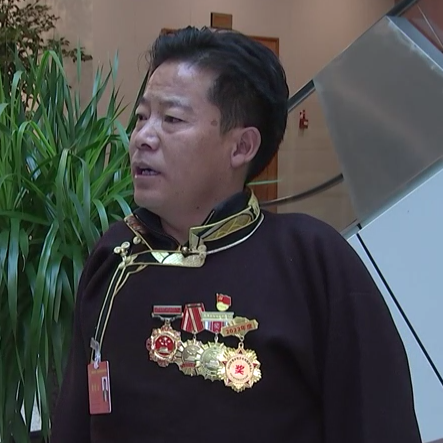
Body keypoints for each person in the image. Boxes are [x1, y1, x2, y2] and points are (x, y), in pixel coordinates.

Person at [51, 26, 421, 443]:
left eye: (171, 119)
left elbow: (377, 424)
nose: (142, 138)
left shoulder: (312, 261)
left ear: (242, 146)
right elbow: (75, 422)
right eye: (141, 117)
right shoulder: (115, 254)